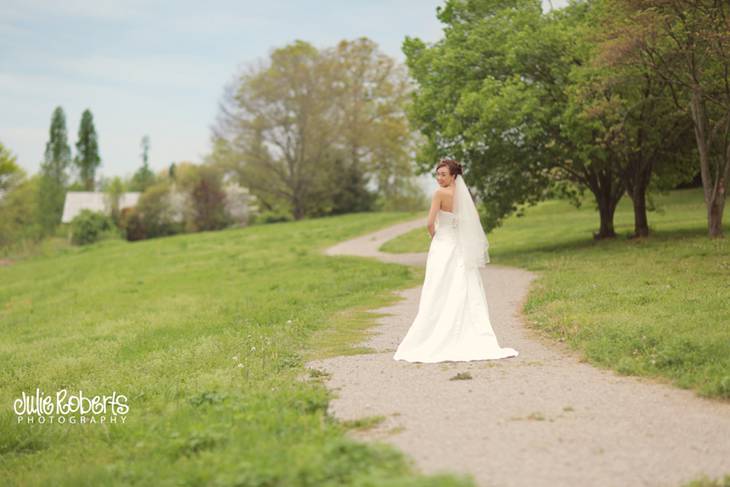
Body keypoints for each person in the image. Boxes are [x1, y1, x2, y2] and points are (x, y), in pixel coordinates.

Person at [393, 158, 519, 363]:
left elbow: (429, 224)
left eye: (443, 174)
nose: (439, 178)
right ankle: (466, 333)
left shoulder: (439, 194)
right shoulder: (463, 195)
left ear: (453, 176)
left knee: (438, 288)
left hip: (443, 245)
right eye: (438, 174)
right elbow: (474, 220)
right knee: (462, 287)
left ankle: (435, 334)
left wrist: (437, 236)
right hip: (459, 247)